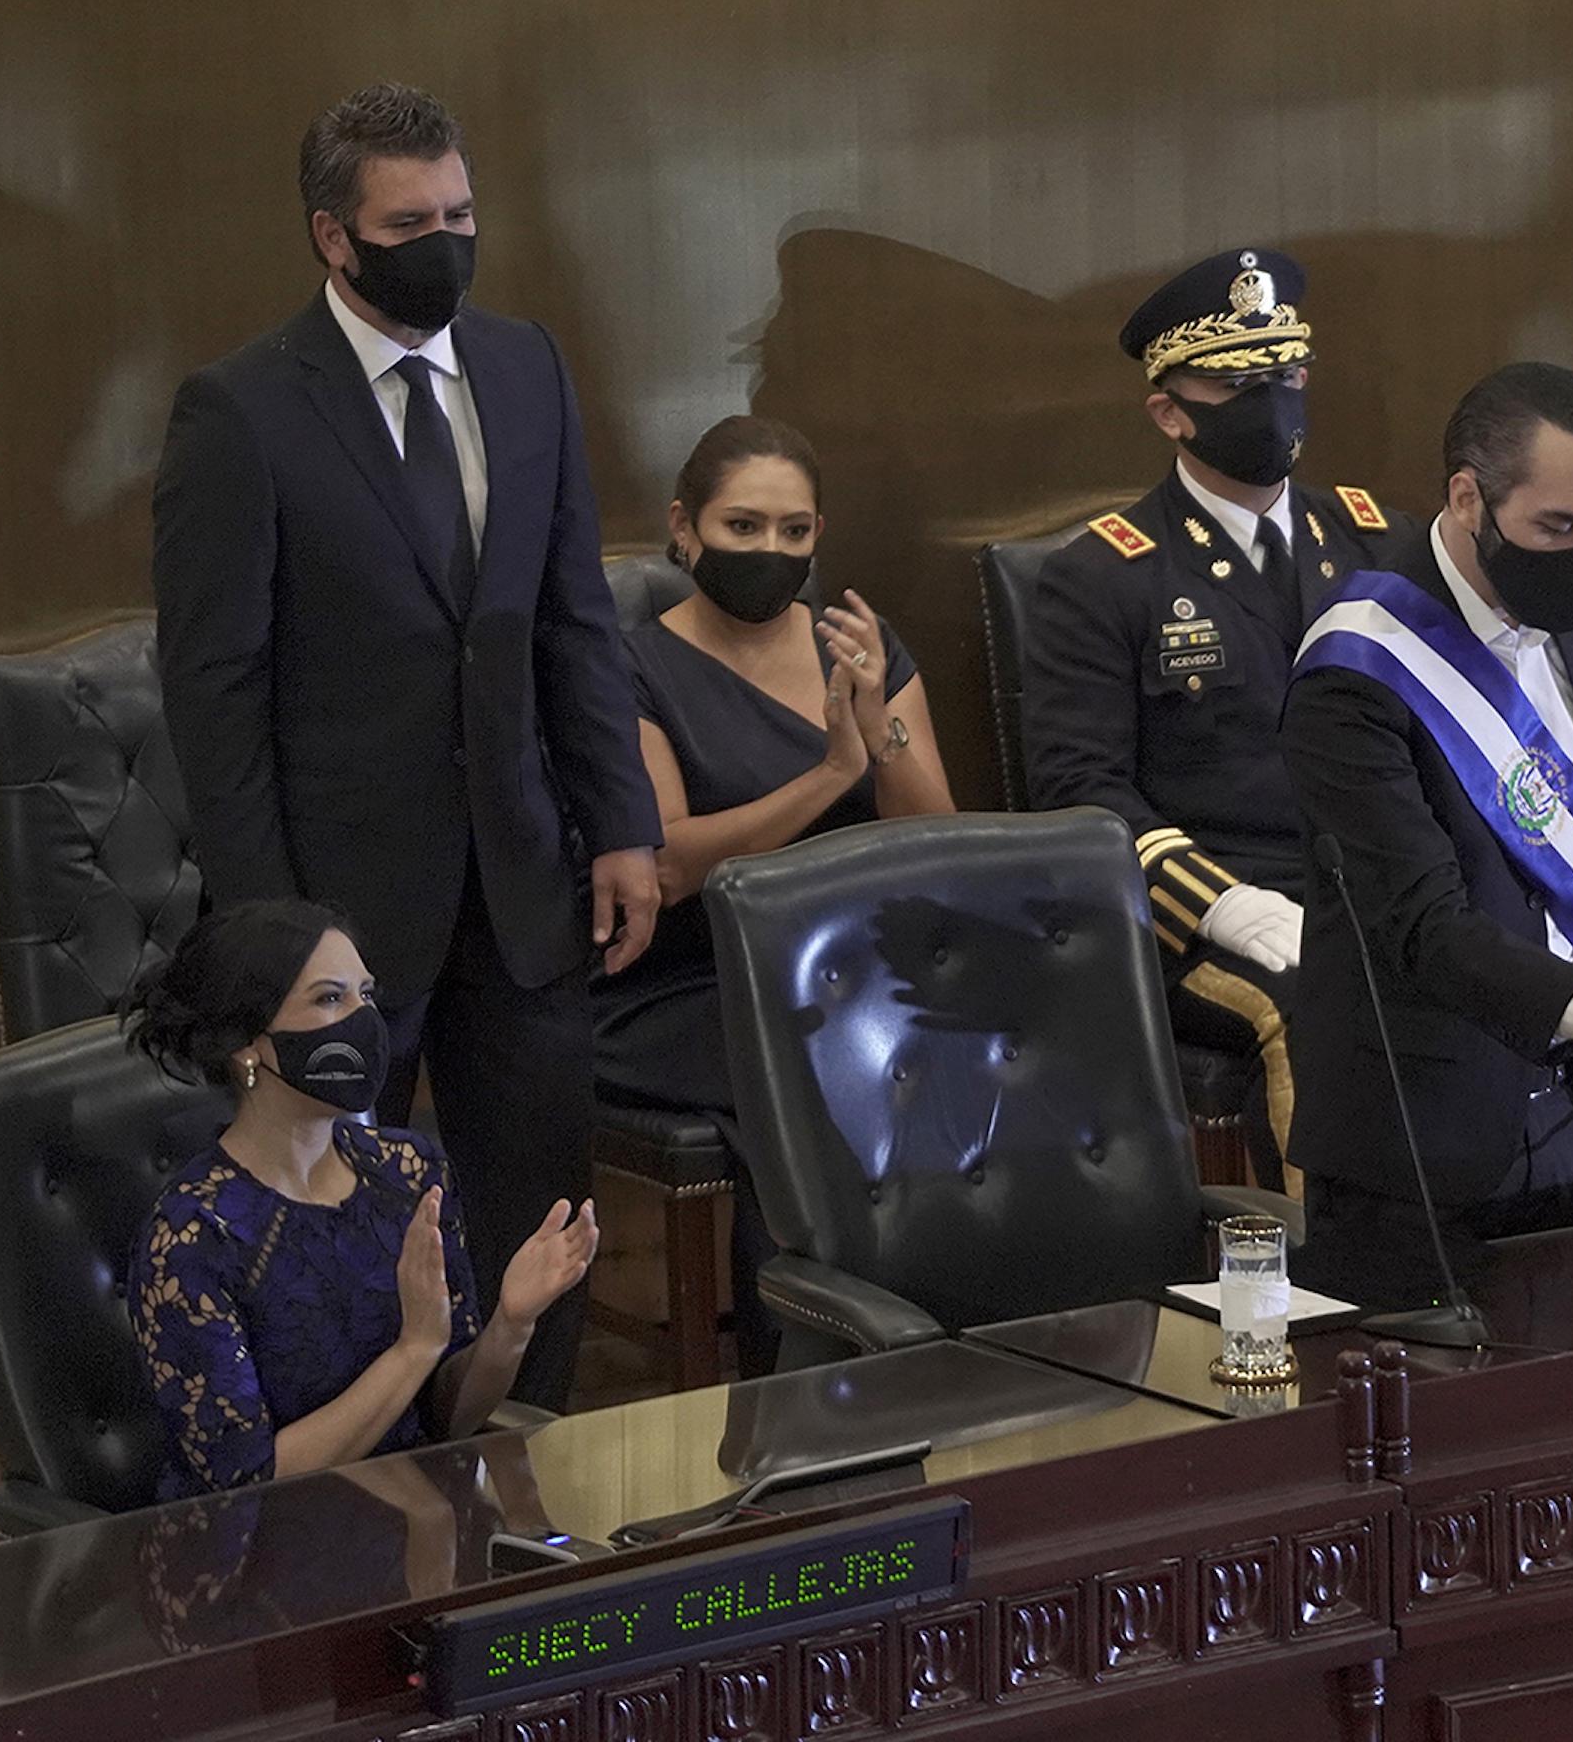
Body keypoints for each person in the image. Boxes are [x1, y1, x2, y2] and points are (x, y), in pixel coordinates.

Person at [152, 84, 661, 1406]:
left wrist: (621, 826)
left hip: (525, 880)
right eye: (411, 220)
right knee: (335, 1228)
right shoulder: (243, 411)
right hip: (342, 911)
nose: (445, 238)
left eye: (462, 213)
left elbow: (571, 619)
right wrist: (273, 934)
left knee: (539, 1211)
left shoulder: (527, 366)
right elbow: (218, 690)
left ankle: (535, 1455)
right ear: (336, 238)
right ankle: (361, 1501)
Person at [1282, 362, 1573, 1293]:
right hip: (1417, 1143)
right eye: (1559, 527)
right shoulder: (1353, 668)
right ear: (1468, 499)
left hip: (1570, 1118)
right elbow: (1423, 928)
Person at [1021, 247, 1408, 1190]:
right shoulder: (1105, 575)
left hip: (1377, 884)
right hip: (1205, 919)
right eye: (1240, 385)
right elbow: (1081, 791)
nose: (1275, 403)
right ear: (1169, 411)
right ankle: (1328, 1296)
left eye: (1286, 375)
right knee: (1315, 1008)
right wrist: (1221, 904)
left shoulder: (1375, 540)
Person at [591, 414, 955, 1372]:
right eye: (742, 527)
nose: (770, 551)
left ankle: (957, 1348)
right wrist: (835, 771)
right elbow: (667, 863)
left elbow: (937, 847)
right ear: (684, 527)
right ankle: (809, 1374)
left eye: (795, 533)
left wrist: (882, 728)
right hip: (690, 986)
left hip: (854, 972)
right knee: (821, 1064)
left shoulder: (861, 646)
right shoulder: (630, 665)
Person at [125, 901, 599, 1501]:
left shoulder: (407, 1172)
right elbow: (245, 1482)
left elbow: (444, 1420)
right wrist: (413, 1350)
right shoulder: (192, 1237)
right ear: (247, 1045)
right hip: (261, 1558)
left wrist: (511, 1323)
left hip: (417, 1519)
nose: (363, 1021)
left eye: (366, 996)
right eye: (329, 999)